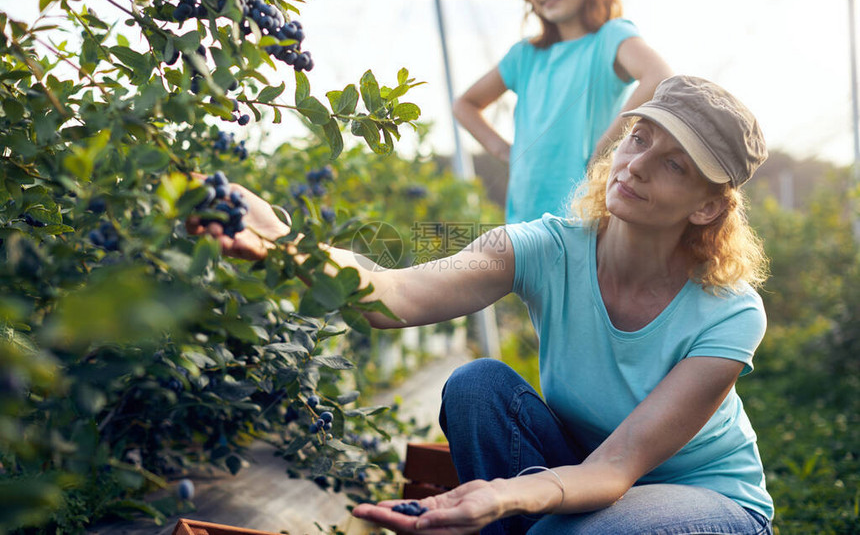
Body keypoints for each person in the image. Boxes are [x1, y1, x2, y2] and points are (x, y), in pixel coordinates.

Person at [188, 75, 773, 534]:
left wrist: (499, 495)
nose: (636, 163)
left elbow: (617, 468)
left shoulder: (728, 312)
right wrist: (288, 248)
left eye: (673, 164)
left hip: (703, 501)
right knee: (478, 385)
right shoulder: (544, 247)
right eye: (639, 137)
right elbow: (393, 294)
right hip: (578, 471)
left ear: (706, 208)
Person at [454, 0, 673, 224]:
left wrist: (604, 147)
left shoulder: (609, 38)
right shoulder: (524, 55)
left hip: (584, 215)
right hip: (524, 216)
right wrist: (504, 151)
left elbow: (659, 76)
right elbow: (464, 105)